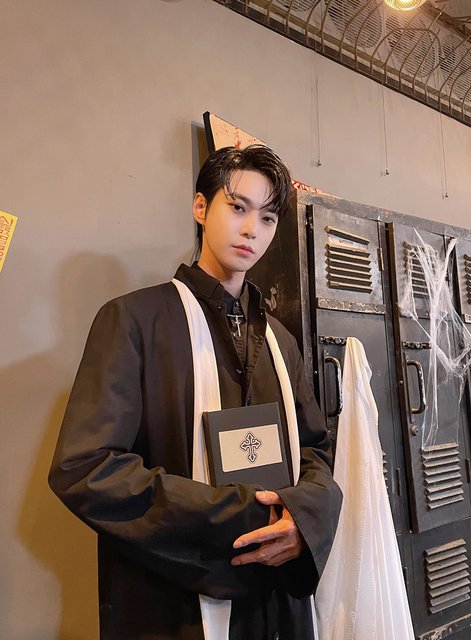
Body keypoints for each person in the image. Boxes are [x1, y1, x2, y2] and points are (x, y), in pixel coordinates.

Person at [49, 144, 342, 640]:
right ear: (201, 207)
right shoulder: (135, 321)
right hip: (175, 599)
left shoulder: (279, 339)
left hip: (275, 599)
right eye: (238, 207)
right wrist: (241, 517)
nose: (252, 230)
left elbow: (315, 449)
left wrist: (303, 518)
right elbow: (86, 468)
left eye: (268, 218)